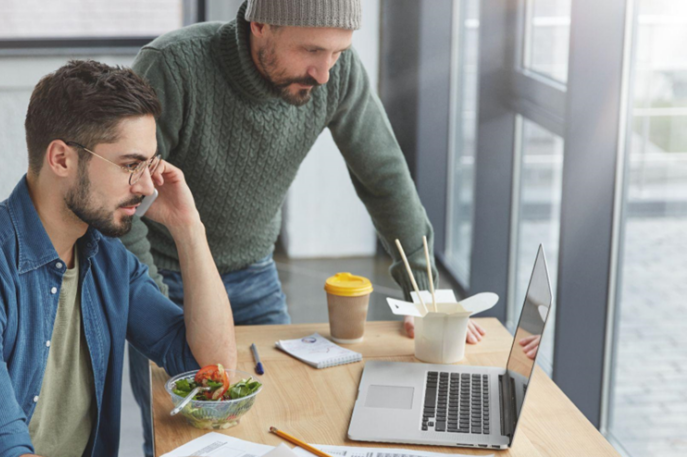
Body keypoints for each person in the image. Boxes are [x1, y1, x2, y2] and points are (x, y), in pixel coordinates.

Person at [121, 1, 486, 455]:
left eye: (338, 53)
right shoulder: (173, 67)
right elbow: (125, 201)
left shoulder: (338, 74)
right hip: (166, 278)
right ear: (260, 24)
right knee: (182, 432)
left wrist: (425, 291)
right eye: (312, 50)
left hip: (254, 275)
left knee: (283, 416)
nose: (325, 73)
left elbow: (384, 176)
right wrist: (150, 303)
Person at [0, 60, 236, 457]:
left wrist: (188, 227)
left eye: (149, 165)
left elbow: (211, 368)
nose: (147, 185)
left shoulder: (104, 258)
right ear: (61, 159)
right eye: (131, 165)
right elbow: (0, 450)